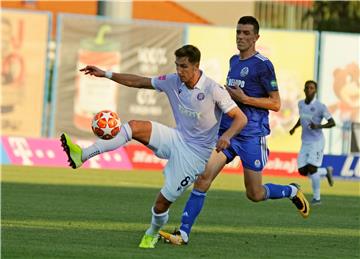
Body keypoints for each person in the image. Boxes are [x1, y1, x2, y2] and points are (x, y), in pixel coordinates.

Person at [60, 45, 248, 249]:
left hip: (194, 156)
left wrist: (227, 136)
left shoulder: (214, 90)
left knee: (161, 204)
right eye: (177, 65)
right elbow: (139, 81)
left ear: (196, 66)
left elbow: (241, 118)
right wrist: (106, 74)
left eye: (184, 66)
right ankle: (83, 155)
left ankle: (152, 232)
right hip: (176, 138)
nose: (179, 71)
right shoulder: (173, 81)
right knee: (134, 127)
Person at [159, 16, 310, 246]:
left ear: (256, 37)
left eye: (246, 33)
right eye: (238, 32)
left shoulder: (264, 65)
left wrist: (245, 98)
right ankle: (183, 233)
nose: (241, 36)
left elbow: (276, 103)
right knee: (202, 178)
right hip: (227, 134)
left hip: (251, 136)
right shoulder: (233, 60)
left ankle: (291, 191)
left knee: (254, 194)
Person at [289, 80, 335, 205]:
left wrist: (319, 126)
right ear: (304, 90)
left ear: (315, 91)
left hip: (317, 141)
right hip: (305, 141)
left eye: (312, 88)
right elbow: (302, 118)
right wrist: (294, 128)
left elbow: (332, 122)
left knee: (312, 168)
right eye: (307, 88)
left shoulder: (321, 106)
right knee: (302, 171)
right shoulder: (300, 104)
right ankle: (326, 171)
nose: (309, 90)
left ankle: (317, 198)